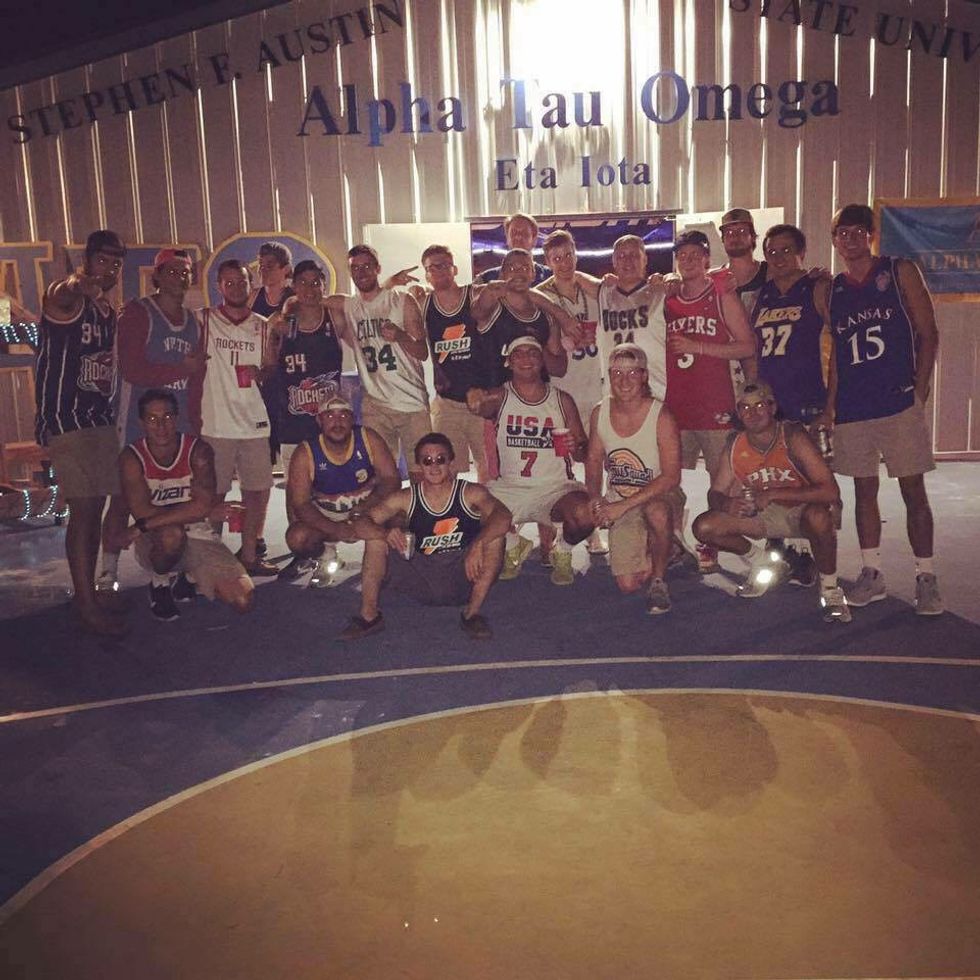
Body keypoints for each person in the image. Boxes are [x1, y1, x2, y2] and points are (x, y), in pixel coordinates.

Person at [827, 203, 943, 615]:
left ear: (871, 235)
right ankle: (872, 571)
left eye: (858, 231)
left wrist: (920, 389)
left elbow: (928, 332)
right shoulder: (834, 288)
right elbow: (838, 353)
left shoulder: (898, 270)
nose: (850, 238)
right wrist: (831, 404)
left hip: (896, 399)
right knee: (864, 491)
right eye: (842, 233)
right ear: (835, 240)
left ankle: (926, 575)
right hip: (855, 405)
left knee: (913, 489)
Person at [34, 229, 128, 636]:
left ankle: (86, 593)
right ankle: (87, 604)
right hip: (66, 419)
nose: (109, 269)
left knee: (96, 510)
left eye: (115, 263)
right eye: (102, 261)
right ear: (87, 261)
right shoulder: (71, 299)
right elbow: (59, 295)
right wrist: (77, 283)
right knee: (84, 511)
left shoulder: (108, 310)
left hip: (99, 419)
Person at [692, 381, 850, 622]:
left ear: (772, 407)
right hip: (763, 515)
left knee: (819, 518)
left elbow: (830, 492)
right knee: (705, 526)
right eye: (745, 408)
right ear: (738, 413)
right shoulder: (735, 444)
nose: (753, 413)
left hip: (802, 511)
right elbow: (715, 493)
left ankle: (830, 590)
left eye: (759, 405)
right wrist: (726, 504)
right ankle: (763, 563)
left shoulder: (793, 436)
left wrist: (774, 494)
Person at [341, 433, 512, 641]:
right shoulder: (405, 497)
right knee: (374, 538)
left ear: (451, 462)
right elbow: (361, 524)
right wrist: (384, 533)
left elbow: (504, 516)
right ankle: (369, 615)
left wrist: (479, 543)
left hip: (462, 574)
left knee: (495, 537)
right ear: (419, 465)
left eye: (441, 459)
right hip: (420, 574)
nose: (434, 466)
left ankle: (472, 614)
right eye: (427, 460)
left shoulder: (470, 493)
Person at [664, 229, 756, 572]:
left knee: (722, 483)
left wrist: (699, 347)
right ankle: (673, 542)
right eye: (682, 256)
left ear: (706, 259)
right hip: (677, 407)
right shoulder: (668, 297)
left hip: (716, 406)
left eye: (695, 255)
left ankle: (716, 542)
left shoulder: (721, 294)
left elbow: (747, 346)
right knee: (669, 481)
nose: (688, 261)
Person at [468, 336, 594, 587]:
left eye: (533, 353)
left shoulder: (562, 399)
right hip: (511, 487)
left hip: (555, 488)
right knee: (467, 509)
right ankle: (514, 544)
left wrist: (576, 446)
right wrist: (474, 398)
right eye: (519, 353)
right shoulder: (500, 396)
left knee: (586, 513)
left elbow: (583, 453)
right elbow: (479, 405)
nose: (526, 359)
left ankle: (562, 550)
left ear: (542, 360)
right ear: (509, 361)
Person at [119, 388, 253, 621]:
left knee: (243, 600)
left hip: (197, 533)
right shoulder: (132, 457)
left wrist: (141, 526)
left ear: (176, 418)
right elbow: (143, 512)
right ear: (141, 423)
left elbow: (200, 507)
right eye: (152, 419)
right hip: (157, 537)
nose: (161, 426)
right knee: (172, 534)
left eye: (167, 417)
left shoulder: (198, 451)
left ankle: (188, 577)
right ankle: (160, 582)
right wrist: (200, 512)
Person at [585, 343, 681, 614]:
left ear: (644, 376)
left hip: (658, 494)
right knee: (628, 584)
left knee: (656, 512)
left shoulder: (661, 415)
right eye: (617, 373)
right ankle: (667, 546)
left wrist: (622, 507)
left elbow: (672, 476)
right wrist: (595, 497)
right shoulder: (600, 412)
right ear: (609, 376)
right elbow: (593, 461)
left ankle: (659, 581)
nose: (624, 381)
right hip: (620, 497)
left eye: (632, 372)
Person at [198, 258, 278, 576]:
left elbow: (270, 368)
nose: (235, 287)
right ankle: (211, 559)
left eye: (241, 281)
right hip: (215, 423)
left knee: (256, 493)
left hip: (254, 423)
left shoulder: (263, 325)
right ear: (218, 286)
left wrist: (263, 372)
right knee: (214, 495)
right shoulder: (203, 320)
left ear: (251, 284)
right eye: (228, 282)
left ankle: (249, 555)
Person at [264, 259, 343, 579]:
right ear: (293, 286)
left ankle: (329, 552)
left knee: (328, 491)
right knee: (296, 494)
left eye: (316, 282)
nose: (310, 289)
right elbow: (268, 366)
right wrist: (275, 330)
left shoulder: (335, 317)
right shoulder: (282, 323)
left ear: (324, 285)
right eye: (304, 283)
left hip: (330, 424)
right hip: (292, 420)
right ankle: (303, 553)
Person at [337, 244, 432, 480]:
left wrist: (400, 336)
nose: (361, 272)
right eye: (355, 268)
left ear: (377, 268)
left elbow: (422, 352)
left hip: (410, 402)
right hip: (375, 404)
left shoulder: (402, 300)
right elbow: (313, 299)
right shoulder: (350, 305)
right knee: (381, 475)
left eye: (367, 266)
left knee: (421, 473)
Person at [538, 229, 607, 556]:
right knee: (558, 464)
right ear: (547, 261)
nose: (564, 263)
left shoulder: (592, 290)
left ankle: (593, 527)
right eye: (556, 258)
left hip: (594, 388)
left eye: (568, 255)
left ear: (576, 254)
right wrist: (564, 335)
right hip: (560, 393)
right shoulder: (543, 295)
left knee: (595, 462)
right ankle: (552, 532)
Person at [284, 395, 401, 586]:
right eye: (330, 416)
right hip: (328, 515)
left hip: (367, 510)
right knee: (298, 538)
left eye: (343, 416)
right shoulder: (305, 452)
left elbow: (391, 479)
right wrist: (336, 529)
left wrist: (365, 508)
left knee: (402, 517)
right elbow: (301, 504)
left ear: (352, 419)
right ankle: (327, 556)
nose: (337, 422)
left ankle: (385, 562)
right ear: (319, 420)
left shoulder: (368, 438)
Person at [419, 244, 497, 480]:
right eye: (432, 267)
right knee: (444, 472)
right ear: (426, 274)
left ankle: (484, 505)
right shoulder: (424, 304)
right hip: (447, 402)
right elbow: (383, 301)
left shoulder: (475, 295)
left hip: (482, 400)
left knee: (490, 470)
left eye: (444, 265)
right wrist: (392, 283)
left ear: (454, 269)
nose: (439, 270)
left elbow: (509, 290)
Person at [575, 234, 669, 398]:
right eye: (621, 256)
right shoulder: (604, 293)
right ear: (614, 261)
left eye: (634, 255)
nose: (628, 261)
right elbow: (571, 275)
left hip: (655, 391)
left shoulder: (661, 291)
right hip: (614, 394)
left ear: (645, 259)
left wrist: (673, 277)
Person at [477, 212, 550, 286]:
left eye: (524, 233)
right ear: (507, 237)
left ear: (534, 238)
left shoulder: (549, 277)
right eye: (514, 232)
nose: (518, 237)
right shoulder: (487, 279)